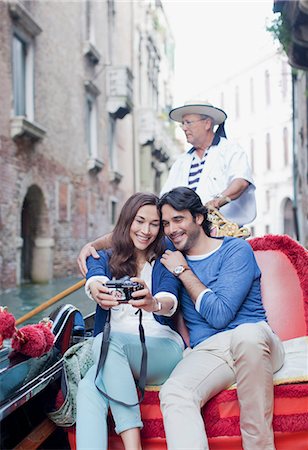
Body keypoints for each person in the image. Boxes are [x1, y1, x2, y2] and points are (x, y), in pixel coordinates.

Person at [158, 186, 285, 450]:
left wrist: (182, 270)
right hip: (209, 350)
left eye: (178, 219)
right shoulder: (170, 253)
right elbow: (131, 231)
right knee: (175, 392)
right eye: (166, 223)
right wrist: (93, 246)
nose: (171, 229)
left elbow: (219, 314)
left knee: (245, 336)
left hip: (255, 341)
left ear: (199, 217)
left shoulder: (235, 250)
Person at [76, 99, 255, 276]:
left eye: (188, 122)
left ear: (207, 123)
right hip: (185, 237)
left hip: (221, 237)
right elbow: (160, 204)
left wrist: (216, 202)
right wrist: (93, 246)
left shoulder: (230, 150)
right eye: (182, 124)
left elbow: (241, 182)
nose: (184, 128)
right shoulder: (181, 162)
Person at [76, 192, 184, 450]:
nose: (146, 230)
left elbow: (169, 299)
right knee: (88, 389)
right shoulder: (104, 257)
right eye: (139, 221)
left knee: (107, 342)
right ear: (127, 221)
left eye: (154, 224)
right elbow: (94, 278)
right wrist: (98, 291)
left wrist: (152, 303)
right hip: (115, 352)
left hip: (162, 349)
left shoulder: (166, 258)